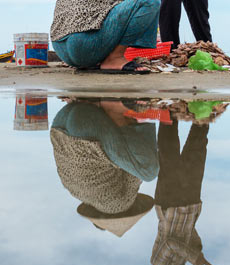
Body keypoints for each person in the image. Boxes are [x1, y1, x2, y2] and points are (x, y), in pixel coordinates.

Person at [49, 99, 159, 236]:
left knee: (148, 172)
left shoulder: (118, 207)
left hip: (85, 129)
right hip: (61, 122)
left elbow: (134, 174)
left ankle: (114, 109)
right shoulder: (77, 194)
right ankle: (93, 105)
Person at [149, 119, 219, 265]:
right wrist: (197, 250)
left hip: (169, 203)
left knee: (168, 149)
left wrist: (193, 257)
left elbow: (171, 243)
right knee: (197, 148)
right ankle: (204, 111)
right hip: (190, 204)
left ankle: (169, 110)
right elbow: (189, 232)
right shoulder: (181, 263)